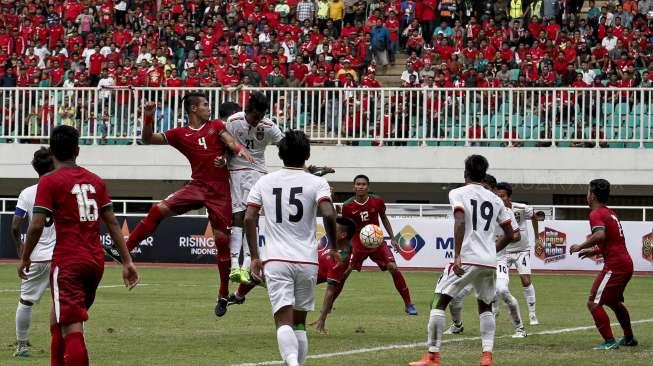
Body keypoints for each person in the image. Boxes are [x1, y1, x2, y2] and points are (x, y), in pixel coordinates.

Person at [17, 125, 139, 365]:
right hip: (94, 262)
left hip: (68, 261)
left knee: (72, 326)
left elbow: (36, 224)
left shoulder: (50, 181)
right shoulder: (96, 181)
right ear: (78, 150)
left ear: (52, 151)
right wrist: (127, 260)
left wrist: (25, 256)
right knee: (59, 315)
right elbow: (112, 223)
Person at [125, 93, 254, 318]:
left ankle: (223, 294)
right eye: (205, 105)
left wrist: (236, 151)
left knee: (221, 244)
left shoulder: (215, 125)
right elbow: (148, 139)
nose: (208, 108)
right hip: (196, 187)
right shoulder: (179, 134)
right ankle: (125, 251)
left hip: (219, 193)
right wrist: (148, 117)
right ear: (193, 108)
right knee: (158, 209)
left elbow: (229, 141)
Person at [245, 130, 338, 366]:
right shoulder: (318, 182)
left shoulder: (265, 181)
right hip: (307, 261)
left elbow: (248, 217)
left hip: (276, 259)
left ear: (280, 153)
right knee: (298, 322)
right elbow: (328, 212)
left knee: (282, 321)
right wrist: (334, 246)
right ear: (307, 154)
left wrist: (255, 256)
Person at [410, 155, 514, 366]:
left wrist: (457, 255)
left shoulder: (457, 192)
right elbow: (511, 234)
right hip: (489, 261)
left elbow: (459, 220)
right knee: (485, 305)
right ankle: (486, 356)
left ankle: (433, 356)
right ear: (484, 174)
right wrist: (491, 251)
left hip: (467, 256)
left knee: (439, 300)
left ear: (465, 173)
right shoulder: (495, 199)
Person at [444, 174, 526, 339]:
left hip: (497, 259)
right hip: (473, 259)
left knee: (502, 290)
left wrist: (496, 244)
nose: (483, 190)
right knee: (455, 296)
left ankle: (520, 328)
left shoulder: (501, 208)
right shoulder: (472, 205)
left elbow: (515, 235)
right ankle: (457, 325)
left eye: (487, 188)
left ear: (493, 189)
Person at [221, 93, 284, 285]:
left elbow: (285, 147)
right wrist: (223, 158)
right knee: (238, 216)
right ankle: (234, 265)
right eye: (255, 117)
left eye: (261, 116)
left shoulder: (269, 126)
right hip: (236, 171)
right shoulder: (233, 121)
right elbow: (223, 144)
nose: (257, 121)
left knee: (252, 217)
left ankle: (247, 264)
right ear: (247, 111)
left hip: (258, 173)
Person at [570, 179, 637, 350]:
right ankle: (629, 338)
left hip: (615, 266)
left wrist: (580, 246)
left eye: (587, 192)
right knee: (613, 302)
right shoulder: (610, 213)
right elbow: (614, 242)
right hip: (625, 263)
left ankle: (609, 341)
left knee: (593, 302)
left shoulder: (596, 214)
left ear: (591, 195)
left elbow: (600, 236)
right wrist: (594, 252)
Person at [341, 175, 417, 315]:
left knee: (393, 268)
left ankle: (408, 304)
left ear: (368, 187)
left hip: (377, 240)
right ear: (354, 187)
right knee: (344, 272)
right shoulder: (347, 206)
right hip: (358, 242)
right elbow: (344, 228)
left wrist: (393, 238)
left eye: (363, 184)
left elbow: (384, 218)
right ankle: (329, 305)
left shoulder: (377, 201)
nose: (360, 186)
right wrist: (346, 244)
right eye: (358, 184)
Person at [11, 147, 56, 357]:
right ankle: (65, 343)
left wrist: (20, 249)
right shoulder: (61, 189)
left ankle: (21, 345)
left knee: (26, 301)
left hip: (36, 257)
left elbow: (15, 225)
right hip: (60, 256)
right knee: (63, 302)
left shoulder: (27, 193)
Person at [495, 182, 540, 325]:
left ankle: (532, 314)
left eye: (502, 196)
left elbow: (534, 216)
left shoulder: (521, 208)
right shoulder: (495, 211)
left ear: (509, 197)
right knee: (499, 283)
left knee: (525, 281)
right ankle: (495, 310)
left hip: (522, 250)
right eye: (497, 196)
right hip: (504, 252)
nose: (499, 198)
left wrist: (537, 238)